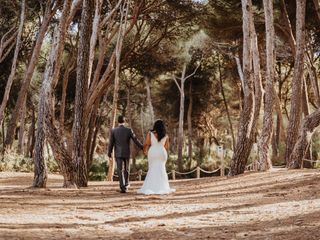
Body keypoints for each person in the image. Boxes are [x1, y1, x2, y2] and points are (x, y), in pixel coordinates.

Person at [137, 119, 175, 195]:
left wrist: (145, 150)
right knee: (161, 169)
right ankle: (163, 187)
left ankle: (151, 187)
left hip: (153, 152)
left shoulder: (150, 133)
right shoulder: (166, 135)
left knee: (152, 168)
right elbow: (166, 147)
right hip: (162, 152)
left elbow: (146, 143)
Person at [108, 115, 143, 193]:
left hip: (118, 153)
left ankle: (122, 187)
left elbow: (111, 143)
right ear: (124, 121)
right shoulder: (128, 130)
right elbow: (135, 140)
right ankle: (126, 184)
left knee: (120, 170)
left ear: (118, 121)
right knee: (126, 169)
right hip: (126, 152)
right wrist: (142, 147)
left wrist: (109, 153)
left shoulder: (114, 131)